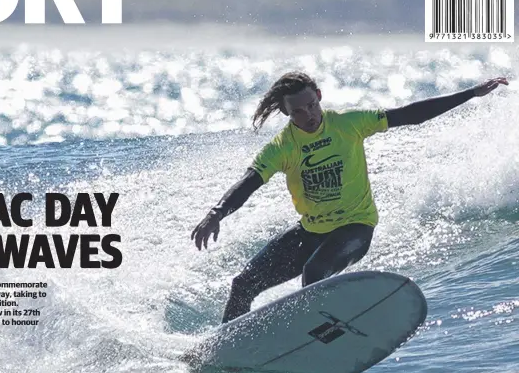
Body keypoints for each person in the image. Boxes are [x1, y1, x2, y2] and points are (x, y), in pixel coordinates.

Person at [191, 71, 508, 324]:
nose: (309, 115)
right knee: (242, 284)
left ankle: (321, 335)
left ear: (319, 97)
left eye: (312, 105)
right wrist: (216, 213)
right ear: (286, 112)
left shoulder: (348, 124)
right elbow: (250, 182)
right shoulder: (282, 146)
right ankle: (230, 349)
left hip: (355, 227)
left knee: (314, 273)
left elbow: (412, 115)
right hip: (312, 231)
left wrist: (470, 94)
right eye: (298, 111)